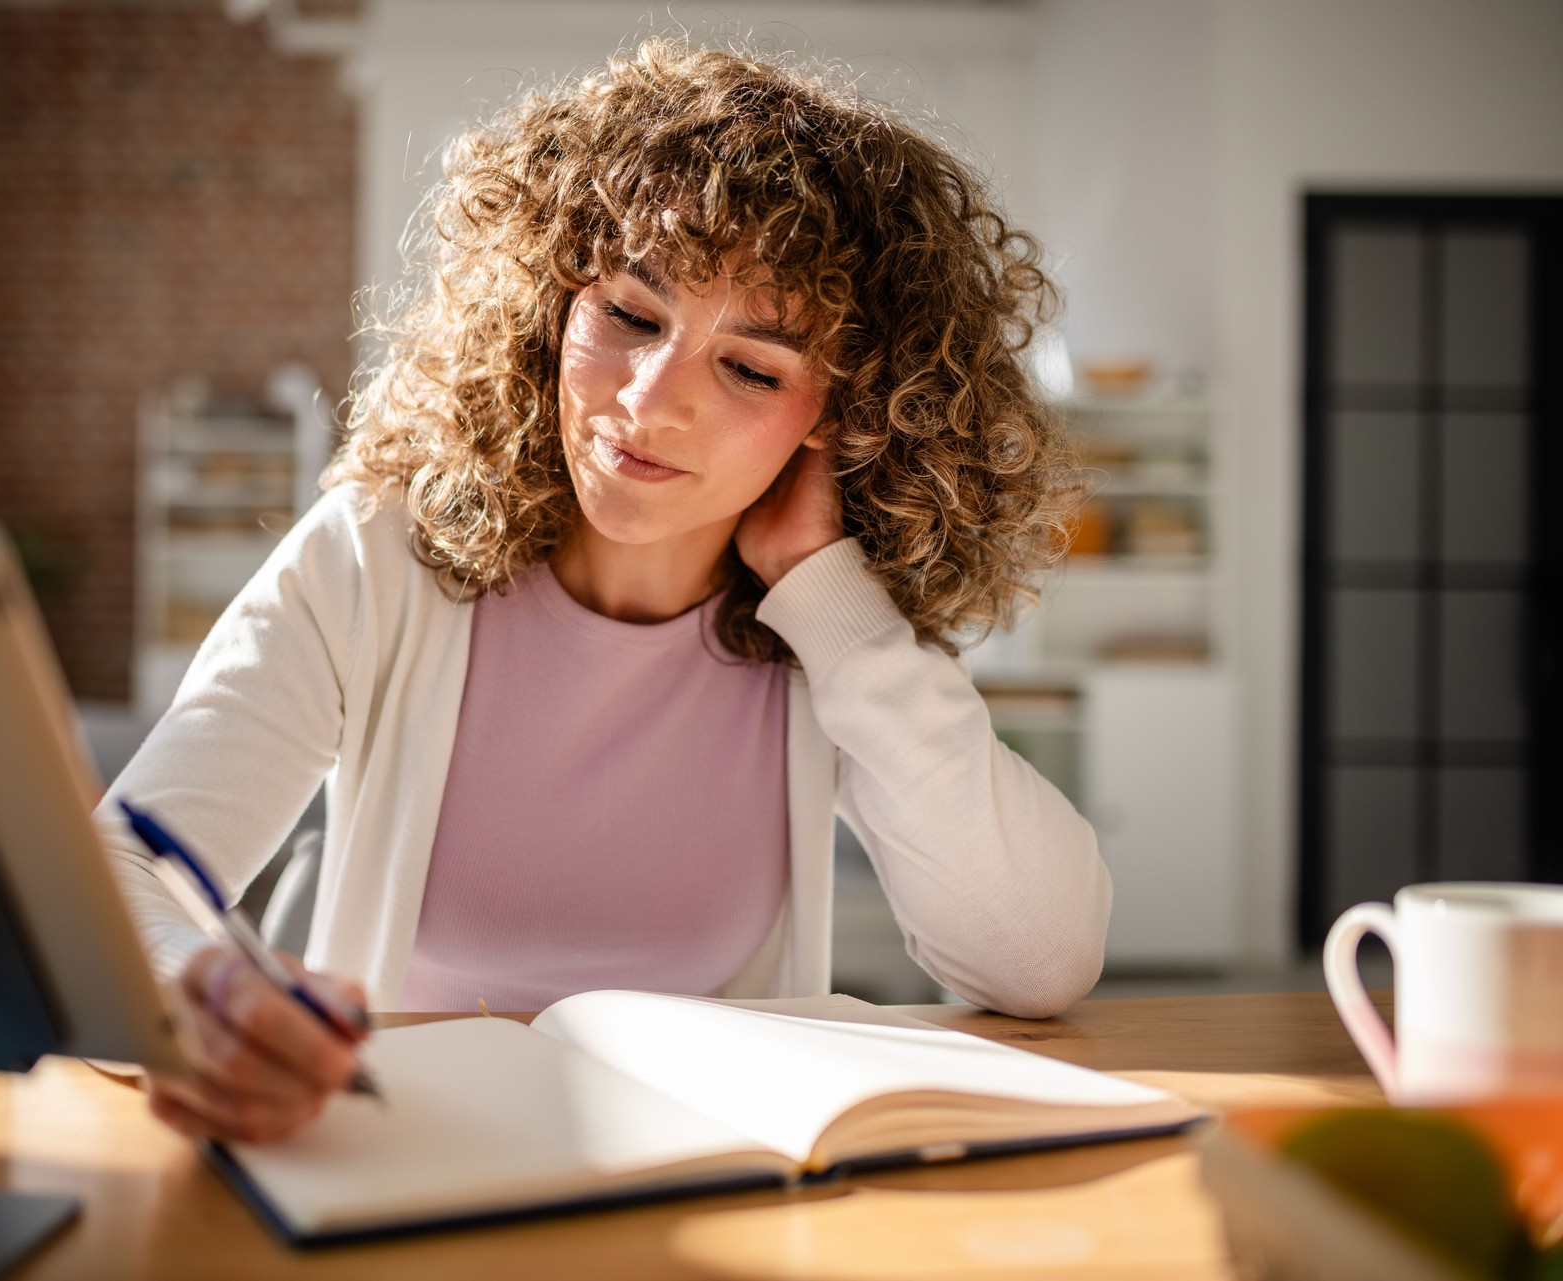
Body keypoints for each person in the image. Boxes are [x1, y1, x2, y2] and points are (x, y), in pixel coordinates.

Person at [97, 37, 1109, 1145]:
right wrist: (198, 995)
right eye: (630, 314)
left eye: (752, 368)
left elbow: (1041, 958)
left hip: (715, 1186)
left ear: (838, 412)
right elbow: (128, 856)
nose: (650, 398)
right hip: (400, 1171)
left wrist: (833, 607)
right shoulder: (375, 553)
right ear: (553, 298)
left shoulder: (825, 628)